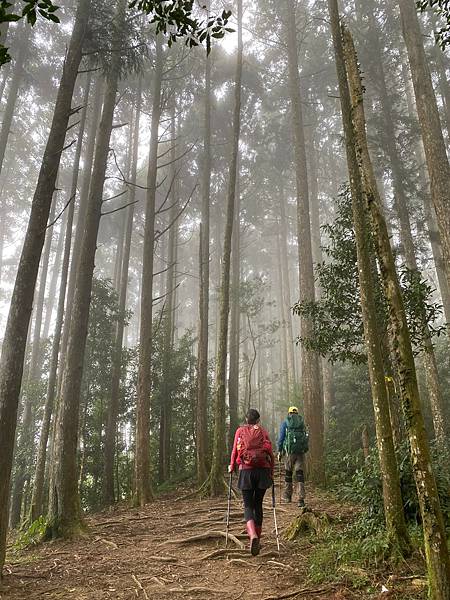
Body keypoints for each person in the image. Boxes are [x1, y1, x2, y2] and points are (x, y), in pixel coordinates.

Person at [229, 408, 274, 556]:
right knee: (258, 505)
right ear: (258, 420)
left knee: (248, 505)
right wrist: (271, 473)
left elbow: (235, 451)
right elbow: (270, 453)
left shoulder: (240, 431)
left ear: (246, 419)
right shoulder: (262, 431)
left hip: (246, 471)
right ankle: (258, 539)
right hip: (263, 472)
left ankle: (252, 535)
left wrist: (232, 466)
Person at [277, 406, 309, 507]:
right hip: (301, 452)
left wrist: (279, 451)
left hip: (289, 452)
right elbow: (306, 436)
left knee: (288, 473)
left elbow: (281, 438)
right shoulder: (302, 422)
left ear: (289, 413)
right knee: (300, 474)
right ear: (297, 413)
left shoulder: (286, 422)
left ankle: (287, 496)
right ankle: (301, 499)